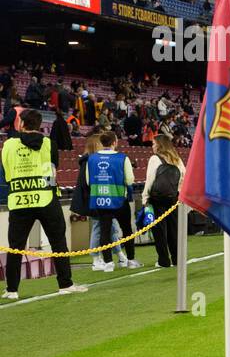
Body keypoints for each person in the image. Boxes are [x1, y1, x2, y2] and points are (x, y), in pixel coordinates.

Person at [2, 110, 86, 298]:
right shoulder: (49, 143)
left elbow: (7, 172)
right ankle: (65, 284)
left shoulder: (8, 145)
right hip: (46, 199)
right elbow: (52, 172)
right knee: (58, 242)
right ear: (39, 125)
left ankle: (12, 290)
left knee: (16, 246)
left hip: (20, 199)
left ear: (21, 124)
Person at [87, 131, 141, 272]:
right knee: (127, 229)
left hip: (101, 200)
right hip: (118, 199)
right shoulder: (122, 158)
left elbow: (88, 181)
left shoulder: (92, 159)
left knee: (104, 231)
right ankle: (130, 259)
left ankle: (108, 263)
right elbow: (129, 180)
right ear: (114, 142)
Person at [140, 135, 184, 268]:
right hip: (173, 199)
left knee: (159, 231)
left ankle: (164, 260)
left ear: (159, 145)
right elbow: (183, 177)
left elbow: (150, 180)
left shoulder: (155, 159)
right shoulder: (177, 159)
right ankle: (177, 258)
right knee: (173, 230)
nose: (152, 146)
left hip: (157, 199)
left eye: (154, 144)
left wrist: (145, 197)